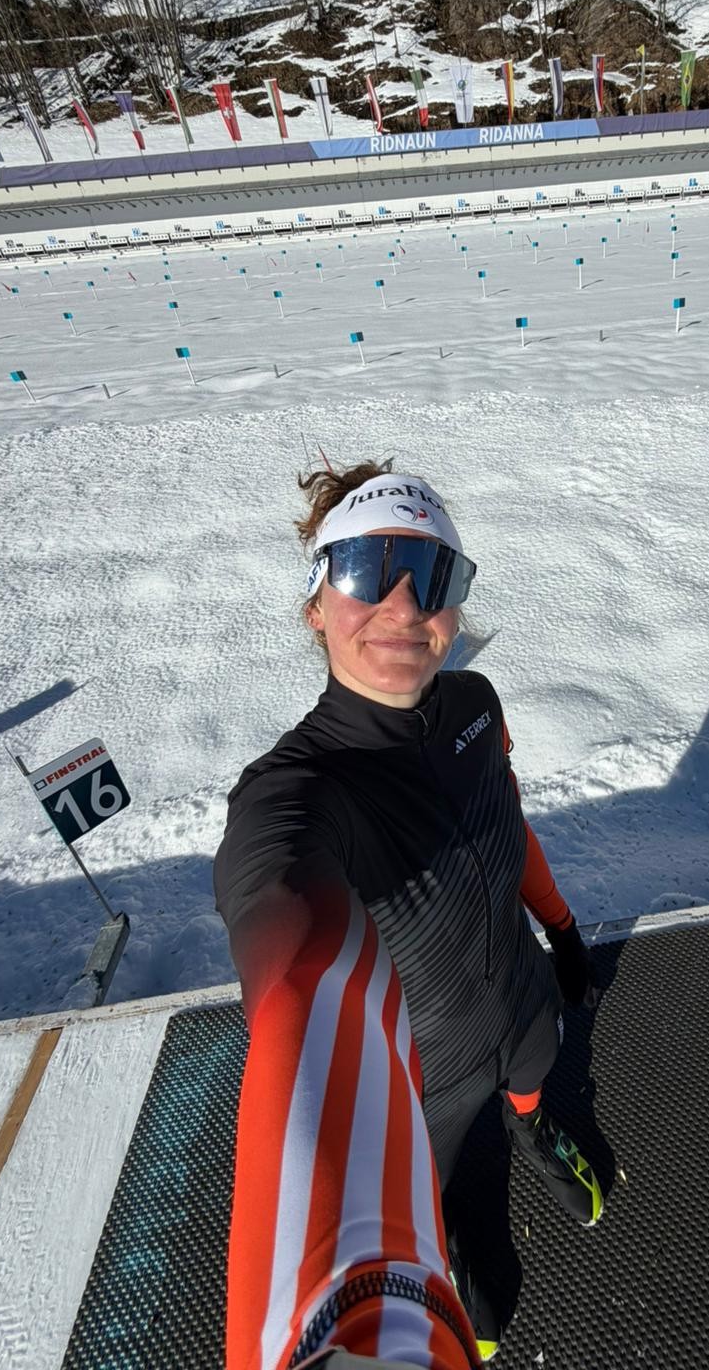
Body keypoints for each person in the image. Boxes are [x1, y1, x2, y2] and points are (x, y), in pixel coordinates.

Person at [214, 461, 604, 1370]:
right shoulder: (296, 793)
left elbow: (509, 824)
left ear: (455, 608)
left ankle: (534, 1125)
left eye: (431, 575)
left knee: (535, 1069)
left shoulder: (476, 705)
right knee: (445, 1200)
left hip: (522, 997)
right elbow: (284, 937)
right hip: (421, 1079)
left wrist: (561, 926)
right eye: (366, 570)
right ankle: (454, 1245)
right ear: (316, 605)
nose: (401, 605)